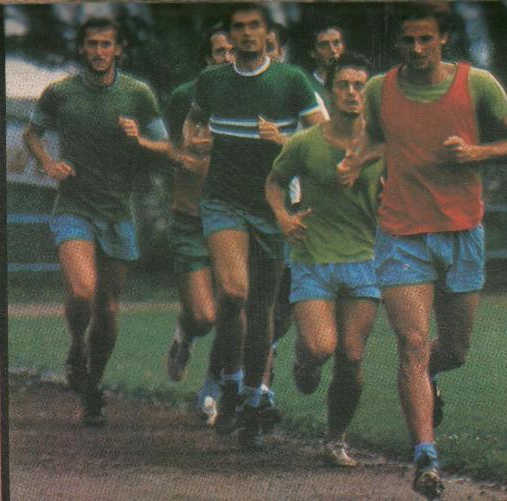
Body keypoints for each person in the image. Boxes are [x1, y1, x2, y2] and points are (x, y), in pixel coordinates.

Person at [338, 3, 507, 496]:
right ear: (397, 42)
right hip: (402, 233)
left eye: (426, 39)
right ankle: (426, 457)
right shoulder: (379, 89)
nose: (417, 48)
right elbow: (377, 140)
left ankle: (429, 378)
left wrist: (477, 152)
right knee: (413, 344)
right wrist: (357, 162)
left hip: (462, 230)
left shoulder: (478, 84)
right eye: (408, 40)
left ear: (444, 39)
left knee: (455, 350)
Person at [185, 3, 326, 449]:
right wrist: (192, 138)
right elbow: (192, 122)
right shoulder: (212, 80)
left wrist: (283, 140)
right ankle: (228, 384)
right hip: (223, 201)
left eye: (255, 26)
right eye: (239, 27)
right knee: (232, 293)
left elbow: (324, 137)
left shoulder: (292, 80)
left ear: (267, 34)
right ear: (230, 35)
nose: (247, 34)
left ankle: (250, 397)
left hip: (272, 206)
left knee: (263, 308)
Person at [22, 18, 169, 426]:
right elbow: (31, 134)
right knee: (82, 291)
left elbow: (164, 146)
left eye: (106, 44)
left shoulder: (138, 94)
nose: (99, 51)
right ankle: (76, 345)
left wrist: (140, 138)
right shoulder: (61, 92)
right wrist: (49, 163)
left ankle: (92, 387)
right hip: (73, 206)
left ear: (118, 50)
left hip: (118, 211)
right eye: (92, 44)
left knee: (108, 308)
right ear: (83, 49)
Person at [266, 53, 380, 467]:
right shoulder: (305, 142)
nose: (352, 92)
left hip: (364, 259)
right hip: (312, 257)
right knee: (320, 346)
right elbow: (275, 182)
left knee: (351, 357)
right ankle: (303, 359)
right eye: (344, 85)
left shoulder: (381, 144)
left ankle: (336, 439)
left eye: (360, 86)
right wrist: (283, 217)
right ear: (330, 92)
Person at [163, 26, 234, 426]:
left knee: (233, 307)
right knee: (205, 315)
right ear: (207, 58)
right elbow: (164, 145)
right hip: (191, 217)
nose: (227, 57)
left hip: (235, 219)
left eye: (233, 50)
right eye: (219, 51)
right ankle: (186, 333)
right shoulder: (182, 97)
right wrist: (180, 158)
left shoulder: (253, 97)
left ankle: (211, 388)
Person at [307, 25, 346, 108]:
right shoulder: (307, 85)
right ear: (312, 53)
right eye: (324, 45)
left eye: (336, 43)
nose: (333, 50)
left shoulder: (357, 82)